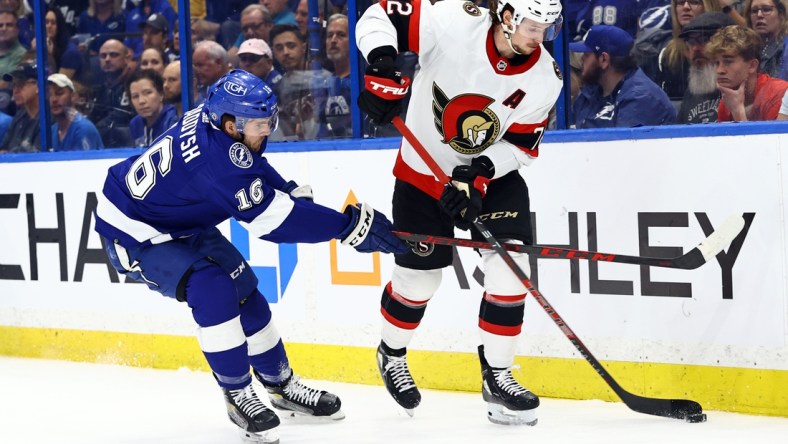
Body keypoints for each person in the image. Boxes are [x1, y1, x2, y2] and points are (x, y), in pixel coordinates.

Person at [93, 69, 408, 443]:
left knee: (245, 290)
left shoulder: (211, 121)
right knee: (212, 287)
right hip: (132, 233)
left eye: (269, 120)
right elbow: (277, 225)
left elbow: (249, 161)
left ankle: (281, 386)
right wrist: (350, 226)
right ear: (230, 124)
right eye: (261, 123)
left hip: (178, 220)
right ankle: (237, 393)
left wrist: (284, 188)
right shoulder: (217, 166)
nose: (268, 130)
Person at [356, 0, 564, 426]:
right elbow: (378, 15)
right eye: (530, 24)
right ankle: (392, 352)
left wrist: (480, 175)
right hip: (422, 173)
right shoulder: (456, 20)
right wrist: (381, 64)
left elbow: (521, 147)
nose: (538, 36)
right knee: (421, 277)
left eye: (548, 27)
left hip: (489, 177)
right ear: (505, 15)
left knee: (512, 264)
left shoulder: (546, 77)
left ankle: (498, 375)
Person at [572, 24, 677, 127]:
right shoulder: (589, 93)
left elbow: (624, 143)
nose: (582, 59)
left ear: (603, 59)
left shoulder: (640, 98)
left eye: (586, 55)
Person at [708, 24, 788, 120]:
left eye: (728, 61)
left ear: (752, 65)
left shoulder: (778, 94)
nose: (719, 70)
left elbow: (773, 135)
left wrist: (737, 111)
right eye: (715, 63)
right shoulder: (728, 100)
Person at [677, 11, 736, 123]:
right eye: (691, 41)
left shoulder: (743, 90)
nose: (695, 48)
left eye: (704, 40)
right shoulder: (692, 91)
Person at [92, 39, 135, 147]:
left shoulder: (135, 84)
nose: (107, 59)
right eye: (103, 56)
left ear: (127, 58)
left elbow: (123, 116)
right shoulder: (100, 89)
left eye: (113, 55)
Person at [48, 73, 104, 151]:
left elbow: (85, 162)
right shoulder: (52, 130)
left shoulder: (84, 128)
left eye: (59, 93)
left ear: (72, 96)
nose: (54, 99)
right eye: (49, 95)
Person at [318, 13, 351, 138]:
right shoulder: (324, 83)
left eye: (341, 35)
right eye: (329, 35)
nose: (333, 40)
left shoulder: (363, 80)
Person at [127, 69, 178, 147]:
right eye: (135, 96)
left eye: (148, 93)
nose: (141, 101)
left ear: (161, 94)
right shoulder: (135, 124)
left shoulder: (173, 119)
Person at [0, 62, 39, 153]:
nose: (16, 91)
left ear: (38, 85)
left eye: (21, 84)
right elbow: (3, 149)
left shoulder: (48, 119)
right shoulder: (20, 116)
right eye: (14, 85)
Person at [744, 0, 788, 79]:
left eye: (766, 9)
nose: (759, 15)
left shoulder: (786, 47)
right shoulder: (748, 47)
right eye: (754, 11)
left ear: (781, 14)